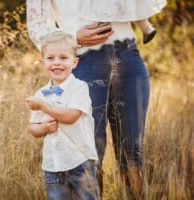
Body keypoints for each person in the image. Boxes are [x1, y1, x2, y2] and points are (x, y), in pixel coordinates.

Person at [26, 0, 167, 199]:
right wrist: (73, 38)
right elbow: (36, 25)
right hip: (83, 59)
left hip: (128, 54)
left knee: (132, 152)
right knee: (90, 153)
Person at [26, 31, 100, 200]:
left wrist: (44, 106)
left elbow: (70, 117)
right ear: (42, 62)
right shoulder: (40, 94)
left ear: (74, 62)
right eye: (50, 58)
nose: (56, 63)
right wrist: (43, 128)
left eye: (63, 58)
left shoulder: (79, 88)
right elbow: (33, 128)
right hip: (53, 164)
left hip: (80, 161)